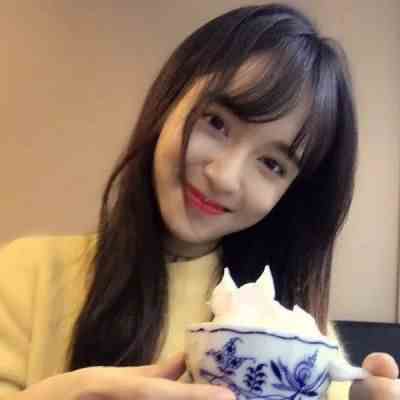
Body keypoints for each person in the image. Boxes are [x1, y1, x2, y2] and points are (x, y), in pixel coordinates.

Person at [0, 3, 398, 400]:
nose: (224, 177)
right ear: (171, 99)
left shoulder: (303, 340)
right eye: (217, 123)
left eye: (272, 164)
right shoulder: (28, 275)